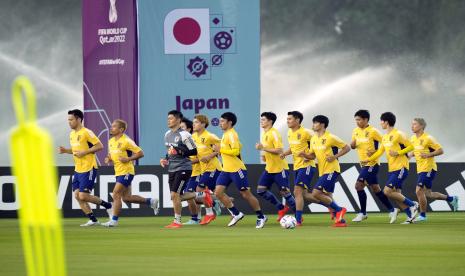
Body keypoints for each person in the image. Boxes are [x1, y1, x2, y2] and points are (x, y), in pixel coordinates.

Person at [58, 109, 112, 226]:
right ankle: (93, 220)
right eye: (68, 120)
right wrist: (66, 151)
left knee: (83, 195)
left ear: (78, 119)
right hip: (78, 169)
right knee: (77, 196)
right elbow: (76, 150)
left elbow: (100, 146)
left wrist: (85, 152)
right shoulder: (72, 134)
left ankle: (108, 206)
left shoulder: (87, 132)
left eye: (71, 119)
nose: (69, 122)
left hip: (89, 167)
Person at [214, 112, 267, 228]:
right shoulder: (226, 134)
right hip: (226, 170)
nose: (220, 124)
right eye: (220, 121)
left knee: (246, 194)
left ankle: (261, 216)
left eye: (222, 121)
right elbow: (239, 146)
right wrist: (221, 151)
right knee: (218, 193)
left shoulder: (232, 134)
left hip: (237, 169)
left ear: (230, 122)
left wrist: (221, 150)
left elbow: (236, 151)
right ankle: (236, 214)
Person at [159, 110, 212, 228]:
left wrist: (179, 150)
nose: (168, 120)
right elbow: (170, 150)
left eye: (171, 118)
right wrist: (165, 159)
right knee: (175, 196)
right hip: (172, 167)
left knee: (175, 194)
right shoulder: (167, 134)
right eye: (168, 118)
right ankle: (202, 195)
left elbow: (194, 151)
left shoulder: (185, 134)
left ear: (178, 120)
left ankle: (177, 221)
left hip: (184, 167)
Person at [363, 112, 418, 224]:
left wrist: (398, 152)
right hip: (392, 169)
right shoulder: (385, 137)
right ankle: (410, 217)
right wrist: (368, 160)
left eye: (381, 121)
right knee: (397, 196)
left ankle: (413, 204)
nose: (380, 123)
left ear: (386, 122)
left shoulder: (398, 134)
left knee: (387, 191)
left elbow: (412, 146)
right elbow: (379, 152)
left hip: (401, 167)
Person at [102, 119, 159, 227]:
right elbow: (113, 155)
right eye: (112, 126)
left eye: (114, 126)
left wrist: (128, 159)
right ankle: (151, 201)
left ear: (121, 129)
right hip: (118, 172)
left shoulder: (127, 141)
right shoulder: (111, 141)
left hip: (127, 171)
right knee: (126, 198)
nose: (111, 128)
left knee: (115, 194)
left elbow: (141, 153)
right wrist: (108, 158)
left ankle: (114, 221)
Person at [350, 110, 397, 222]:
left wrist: (375, 151)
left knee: (358, 186)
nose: (357, 122)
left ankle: (362, 213)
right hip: (363, 164)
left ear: (366, 120)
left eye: (359, 119)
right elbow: (353, 145)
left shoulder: (373, 131)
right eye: (356, 120)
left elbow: (385, 143)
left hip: (372, 164)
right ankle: (392, 210)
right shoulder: (355, 131)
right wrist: (352, 145)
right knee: (376, 189)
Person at [409, 118, 458, 222]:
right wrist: (408, 155)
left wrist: (428, 155)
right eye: (412, 124)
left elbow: (441, 150)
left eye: (414, 124)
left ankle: (423, 216)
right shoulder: (413, 138)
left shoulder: (428, 138)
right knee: (428, 194)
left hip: (429, 168)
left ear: (421, 126)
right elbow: (415, 150)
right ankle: (452, 199)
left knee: (418, 190)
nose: (412, 126)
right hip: (420, 169)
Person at [255, 112, 296, 222]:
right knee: (261, 190)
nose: (261, 121)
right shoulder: (264, 133)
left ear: (270, 121)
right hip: (269, 169)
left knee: (285, 192)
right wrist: (265, 156)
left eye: (263, 119)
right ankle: (281, 208)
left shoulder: (274, 133)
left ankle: (298, 215)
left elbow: (279, 150)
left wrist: (263, 148)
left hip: (280, 168)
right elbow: (269, 149)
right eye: (261, 119)